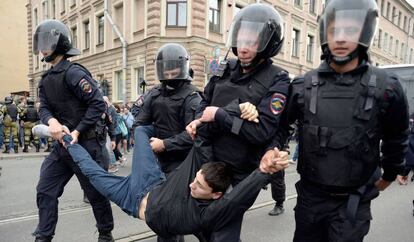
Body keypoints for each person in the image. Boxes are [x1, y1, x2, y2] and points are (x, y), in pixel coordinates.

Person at [270, 0, 409, 241]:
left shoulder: (387, 88)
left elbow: (397, 137)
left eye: (350, 31)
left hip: (353, 201)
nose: (341, 39)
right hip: (311, 199)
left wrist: (389, 175)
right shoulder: (303, 85)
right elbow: (279, 128)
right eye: (334, 31)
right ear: (325, 33)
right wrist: (273, 150)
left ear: (365, 33)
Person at [56, 125, 289, 241]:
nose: (191, 186)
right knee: (139, 132)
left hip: (129, 200)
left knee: (94, 175)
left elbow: (237, 198)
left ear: (215, 196)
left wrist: (263, 171)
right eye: (195, 180)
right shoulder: (194, 177)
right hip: (149, 183)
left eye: (199, 187)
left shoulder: (209, 214)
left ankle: (68, 143)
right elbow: (202, 142)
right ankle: (69, 141)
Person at [185, 4, 289, 241]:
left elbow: (261, 132)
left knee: (224, 231)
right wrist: (222, 114)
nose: (243, 48)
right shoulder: (224, 69)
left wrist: (219, 115)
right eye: (241, 40)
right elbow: (203, 108)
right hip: (208, 161)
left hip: (240, 173)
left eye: (252, 42)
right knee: (201, 226)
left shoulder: (278, 79)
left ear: (268, 43)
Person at [32, 19, 114, 242]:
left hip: (86, 145)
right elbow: (44, 107)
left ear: (59, 44)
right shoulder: (46, 79)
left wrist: (77, 131)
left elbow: (98, 104)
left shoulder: (74, 73)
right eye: (40, 43)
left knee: (96, 194)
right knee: (45, 189)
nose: (42, 47)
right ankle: (44, 236)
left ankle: (105, 235)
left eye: (46, 42)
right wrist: (51, 122)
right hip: (62, 148)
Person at [134, 43, 202, 175]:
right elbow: (139, 123)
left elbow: (194, 134)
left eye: (174, 73)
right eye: (167, 73)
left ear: (182, 69)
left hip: (183, 161)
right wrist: (146, 144)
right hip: (157, 159)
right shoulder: (155, 93)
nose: (170, 77)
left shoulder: (192, 97)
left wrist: (165, 144)